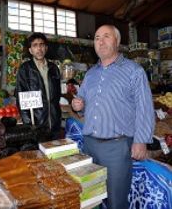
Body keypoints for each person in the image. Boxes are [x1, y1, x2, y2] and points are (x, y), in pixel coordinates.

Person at [71, 25, 155, 209]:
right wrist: (79, 106)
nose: (100, 41)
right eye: (97, 37)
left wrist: (141, 140)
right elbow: (83, 103)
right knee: (91, 197)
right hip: (90, 144)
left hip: (117, 148)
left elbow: (145, 108)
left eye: (106, 36)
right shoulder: (91, 73)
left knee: (116, 201)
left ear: (117, 42)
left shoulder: (134, 71)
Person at [15, 32, 61, 140]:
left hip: (54, 122)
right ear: (30, 50)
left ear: (46, 48)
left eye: (41, 45)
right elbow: (21, 98)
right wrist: (29, 125)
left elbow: (57, 95)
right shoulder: (25, 69)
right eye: (35, 45)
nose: (39, 48)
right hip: (36, 123)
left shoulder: (54, 68)